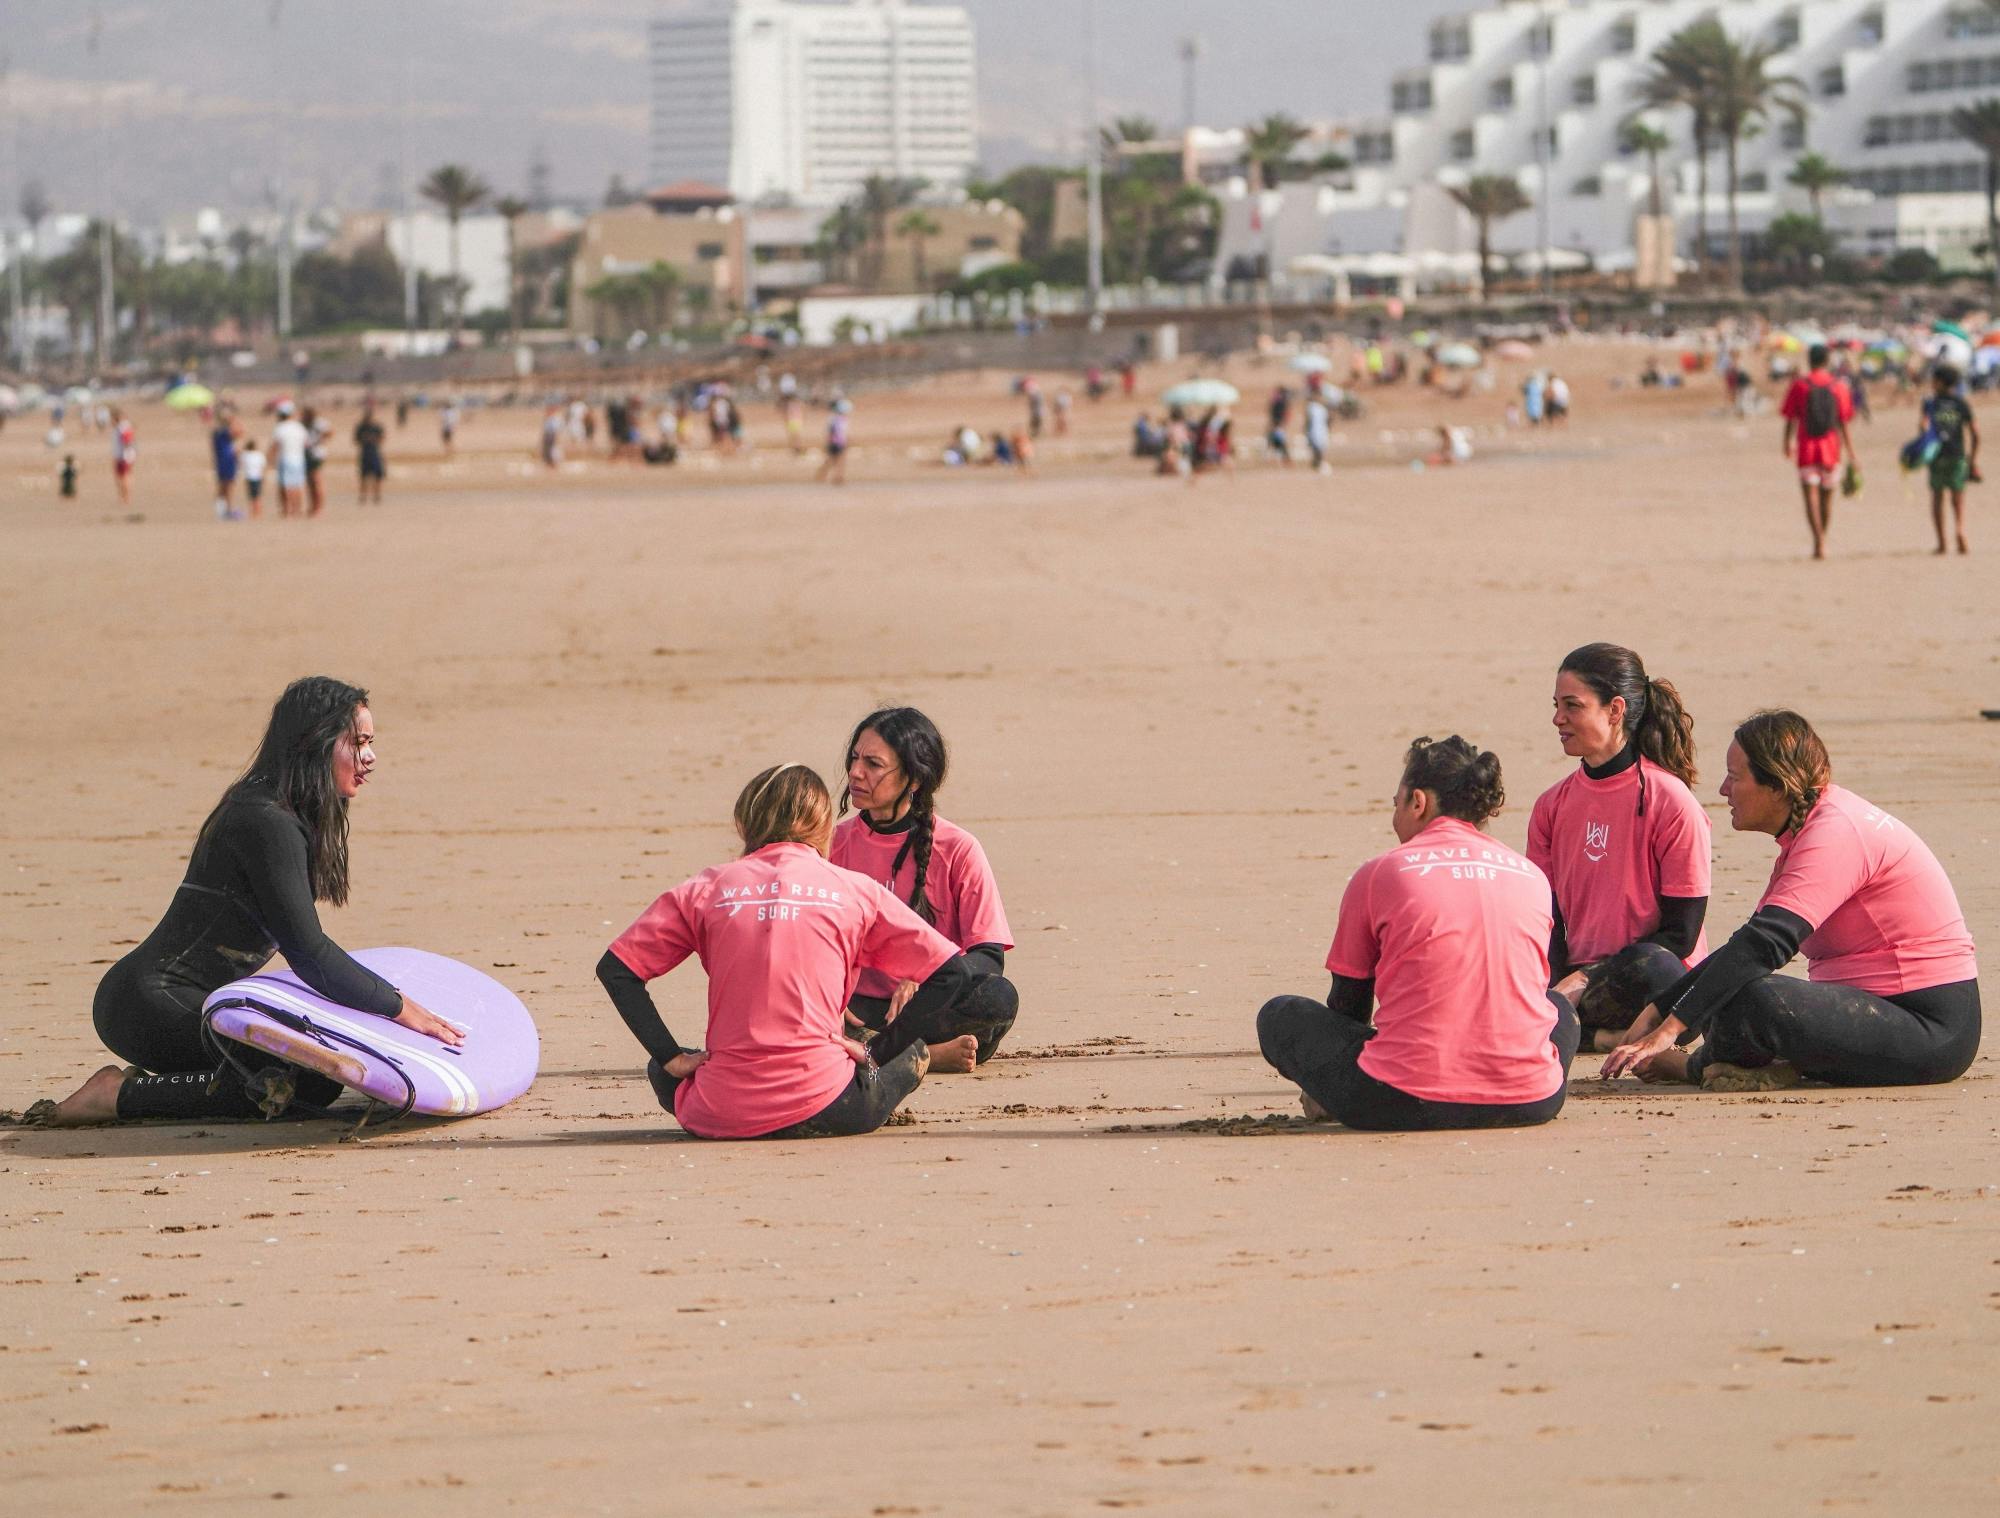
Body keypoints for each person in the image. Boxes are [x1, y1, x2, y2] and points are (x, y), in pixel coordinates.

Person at [26, 678, 460, 1126]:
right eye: (359, 742)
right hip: (150, 1003)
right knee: (300, 1081)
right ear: (317, 741)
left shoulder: (283, 813)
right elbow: (310, 952)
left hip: (194, 999)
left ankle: (150, 1089)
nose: (370, 756)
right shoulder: (264, 821)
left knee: (312, 1079)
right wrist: (398, 1007)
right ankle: (117, 1095)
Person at [597, 764, 995, 1140]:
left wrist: (670, 1057)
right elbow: (950, 972)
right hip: (832, 1106)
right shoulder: (854, 889)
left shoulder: (705, 888)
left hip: (718, 1113)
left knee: (663, 1068)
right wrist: (877, 1049)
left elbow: (617, 970)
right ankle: (905, 1058)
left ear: (744, 823)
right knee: (908, 1054)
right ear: (825, 827)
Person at [1604, 711, 1979, 1091]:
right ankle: (1780, 1064)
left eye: (1735, 777)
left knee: (1754, 1000)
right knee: (1731, 988)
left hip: (1930, 1031)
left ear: (1778, 786)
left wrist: (1669, 1030)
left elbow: (1766, 944)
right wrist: (1658, 1010)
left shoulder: (1836, 832)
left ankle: (1692, 1068)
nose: (1722, 790)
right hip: (1873, 1012)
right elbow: (1744, 948)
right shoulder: (1808, 830)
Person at [1257, 736, 1577, 1131]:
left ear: (1419, 802)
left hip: (1404, 1101)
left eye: (1397, 804)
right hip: (1533, 1101)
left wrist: (1324, 1086)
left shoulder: (1381, 872)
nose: (1395, 819)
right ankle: (1515, 1077)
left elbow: (1349, 1004)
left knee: (1280, 1015)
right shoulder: (1530, 876)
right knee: (1558, 1007)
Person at [1528, 644, 1710, 1053]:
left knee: (1659, 966)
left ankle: (1569, 1031)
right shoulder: (1550, 806)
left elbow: (1681, 935)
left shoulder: (1671, 800)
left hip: (1653, 982)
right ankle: (1597, 1035)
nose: (1558, 719)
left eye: (1572, 706)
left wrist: (1588, 978)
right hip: (1582, 986)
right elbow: (1547, 919)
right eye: (1556, 705)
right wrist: (1559, 988)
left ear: (1614, 710)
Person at [830, 708, 1018, 1073]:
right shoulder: (832, 846)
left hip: (929, 1004)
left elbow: (989, 956)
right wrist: (832, 998)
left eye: (872, 763)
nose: (855, 772)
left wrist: (926, 979)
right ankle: (928, 1054)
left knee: (998, 998)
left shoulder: (959, 848)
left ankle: (874, 1050)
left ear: (914, 779)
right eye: (854, 758)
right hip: (857, 1006)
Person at [1780, 343, 1855, 560]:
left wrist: (1787, 443)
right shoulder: (1839, 386)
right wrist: (1851, 452)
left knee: (1810, 497)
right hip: (1831, 448)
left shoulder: (1800, 385)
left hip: (1807, 447)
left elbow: (1790, 418)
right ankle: (1824, 538)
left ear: (1809, 360)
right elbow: (1844, 423)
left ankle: (1818, 541)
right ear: (1827, 361)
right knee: (1826, 498)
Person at [1921, 366, 1977, 555]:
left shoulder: (1930, 403)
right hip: (1957, 454)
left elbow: (1923, 427)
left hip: (1937, 456)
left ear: (1940, 382)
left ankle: (1942, 542)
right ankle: (1960, 530)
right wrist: (1973, 459)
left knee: (1937, 498)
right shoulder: (1961, 403)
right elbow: (1975, 433)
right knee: (1958, 498)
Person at [272, 402, 309, 517]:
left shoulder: (280, 428)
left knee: (286, 485)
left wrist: (269, 460)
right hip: (299, 459)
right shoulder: (299, 427)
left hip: (286, 458)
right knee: (297, 484)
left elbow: (275, 446)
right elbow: (306, 444)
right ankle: (297, 508)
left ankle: (287, 509)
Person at [211, 409, 241, 520]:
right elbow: (240, 432)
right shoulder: (223, 432)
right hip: (227, 461)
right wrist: (234, 421)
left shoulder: (216, 432)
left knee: (223, 486)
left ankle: (222, 511)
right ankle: (226, 511)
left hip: (222, 461)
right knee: (228, 487)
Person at [353, 406, 387, 505]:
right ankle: (363, 496)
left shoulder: (377, 427)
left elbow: (382, 438)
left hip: (375, 453)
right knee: (363, 477)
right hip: (365, 453)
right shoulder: (360, 427)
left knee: (377, 476)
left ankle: (377, 496)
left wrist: (373, 440)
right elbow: (356, 440)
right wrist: (365, 440)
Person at [302, 406, 330, 515]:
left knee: (316, 480)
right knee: (309, 482)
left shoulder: (319, 423)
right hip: (306, 454)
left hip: (317, 455)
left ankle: (319, 507)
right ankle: (313, 506)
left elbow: (330, 432)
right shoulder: (303, 423)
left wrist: (319, 441)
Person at [817, 401, 850, 485]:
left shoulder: (837, 419)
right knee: (836, 460)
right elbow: (833, 432)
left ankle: (837, 477)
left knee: (836, 460)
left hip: (838, 442)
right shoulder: (836, 419)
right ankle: (835, 477)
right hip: (836, 442)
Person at [110, 407, 136, 505]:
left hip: (124, 456)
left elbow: (127, 441)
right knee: (121, 477)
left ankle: (126, 497)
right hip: (120, 455)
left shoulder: (123, 427)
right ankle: (123, 496)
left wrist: (126, 456)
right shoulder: (119, 427)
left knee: (125, 477)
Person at [240, 437, 267, 518]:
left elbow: (241, 464)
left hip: (249, 477)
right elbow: (263, 467)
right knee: (257, 496)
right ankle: (257, 512)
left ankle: (254, 512)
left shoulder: (245, 455)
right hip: (257, 477)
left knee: (252, 496)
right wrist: (264, 477)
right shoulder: (259, 455)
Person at [1304, 392, 1331, 474]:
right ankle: (1317, 465)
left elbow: (1309, 420)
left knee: (1317, 449)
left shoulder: (1314, 408)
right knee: (1317, 449)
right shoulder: (1318, 408)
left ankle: (1317, 464)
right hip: (1319, 430)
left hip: (1318, 430)